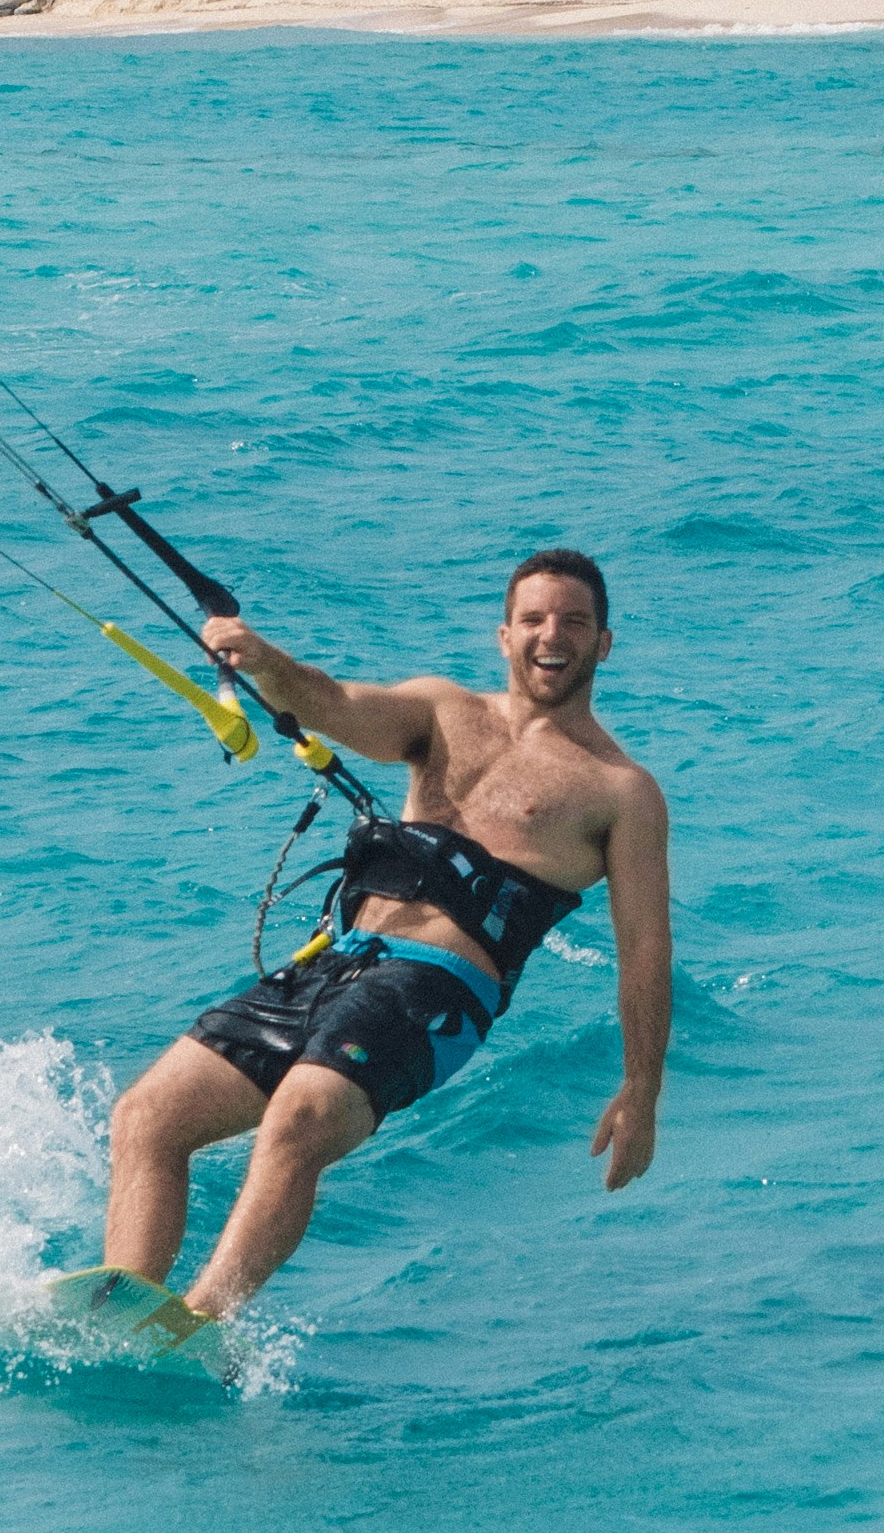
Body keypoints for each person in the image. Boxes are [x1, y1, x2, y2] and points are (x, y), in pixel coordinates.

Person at [104, 547, 672, 1331]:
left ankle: (199, 1322)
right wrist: (263, 660)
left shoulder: (621, 791)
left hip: (436, 994)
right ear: (503, 636)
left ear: (605, 642)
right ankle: (115, 1308)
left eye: (576, 622)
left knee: (299, 1119)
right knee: (148, 1115)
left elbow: (645, 950)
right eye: (535, 619)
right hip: (339, 965)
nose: (554, 635)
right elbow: (330, 701)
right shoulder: (441, 712)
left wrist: (641, 1092)